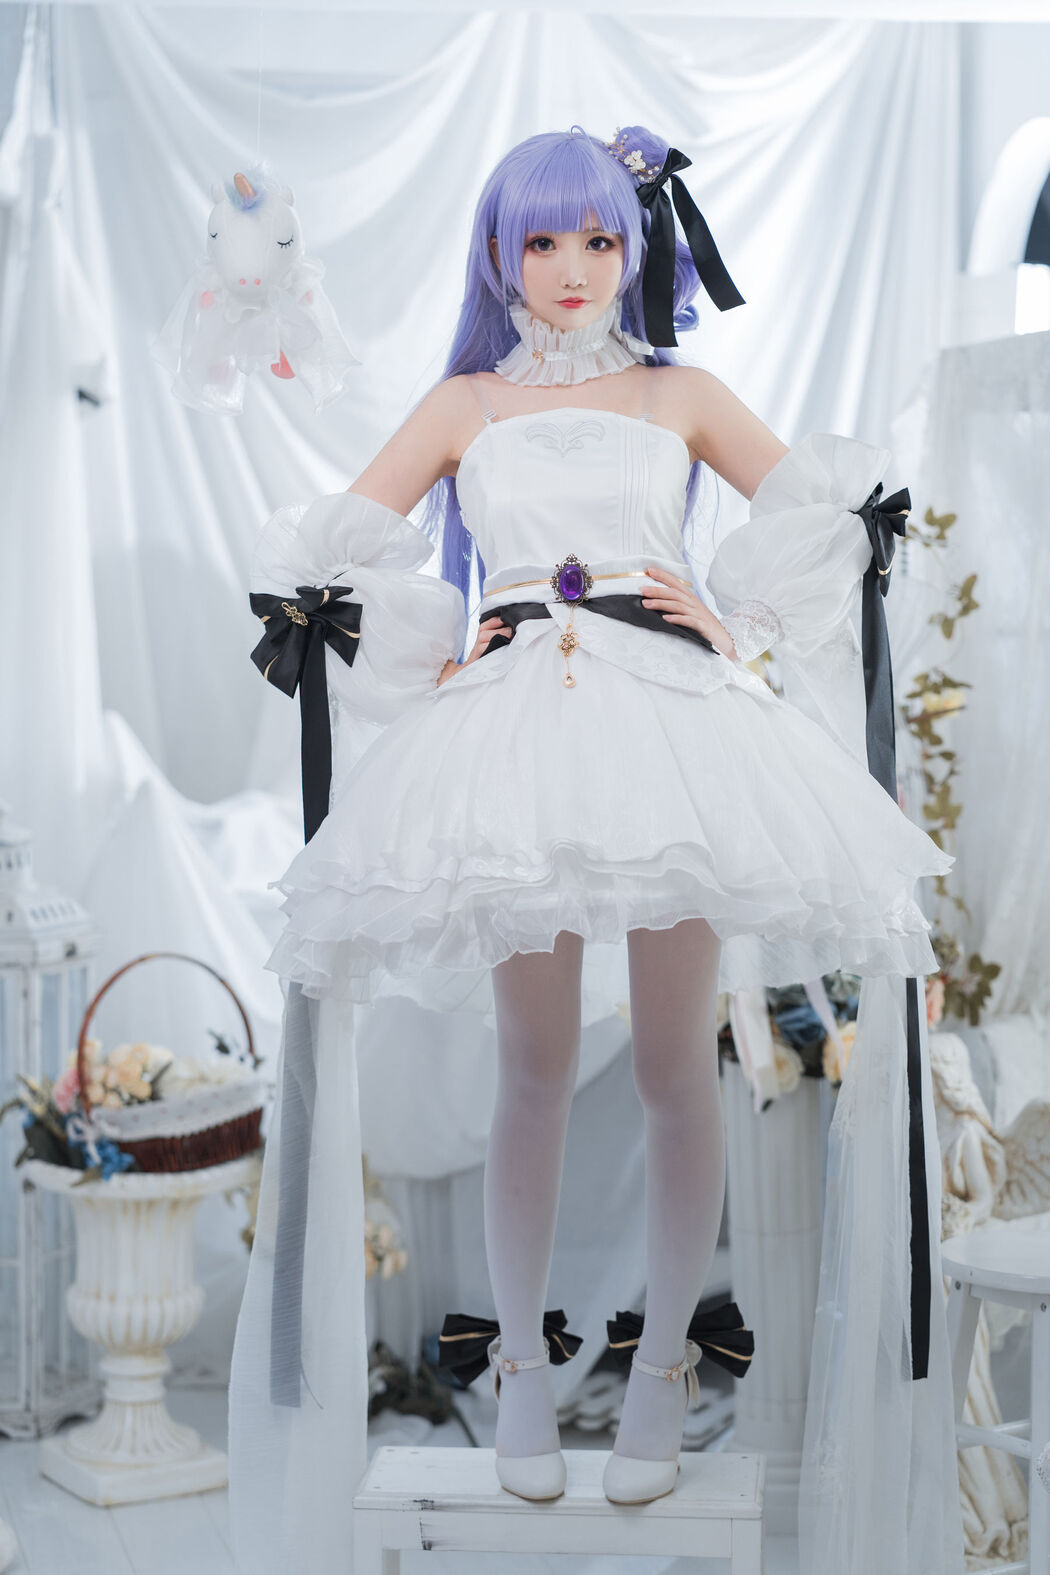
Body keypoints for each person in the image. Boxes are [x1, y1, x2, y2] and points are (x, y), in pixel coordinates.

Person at [230, 123, 964, 1574]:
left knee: (676, 1064)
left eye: (600, 238)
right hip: (519, 730)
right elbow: (329, 555)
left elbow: (836, 517)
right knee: (532, 1066)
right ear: (500, 254)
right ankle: (517, 1365)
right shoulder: (465, 404)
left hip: (669, 733)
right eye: (544, 241)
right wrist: (421, 650)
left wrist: (737, 625)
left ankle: (667, 1365)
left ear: (636, 247)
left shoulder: (678, 390)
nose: (573, 268)